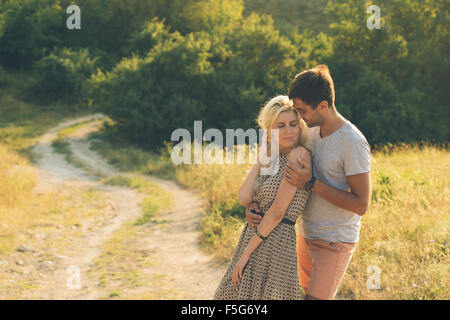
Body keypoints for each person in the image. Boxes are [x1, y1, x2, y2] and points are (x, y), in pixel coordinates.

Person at [247, 65, 372, 300]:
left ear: (323, 106)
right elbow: (277, 168)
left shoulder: (353, 143)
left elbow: (361, 204)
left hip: (334, 242)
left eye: (302, 110)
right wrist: (253, 205)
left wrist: (311, 182)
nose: (299, 117)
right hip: (305, 235)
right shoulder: (310, 131)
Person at [213, 95, 311, 300]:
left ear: (300, 126)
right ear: (269, 130)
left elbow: (276, 213)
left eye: (293, 124)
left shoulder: (299, 155)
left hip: (276, 242)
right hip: (253, 237)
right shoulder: (271, 157)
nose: (288, 131)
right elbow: (244, 197)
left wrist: (246, 254)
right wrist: (264, 154)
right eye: (280, 126)